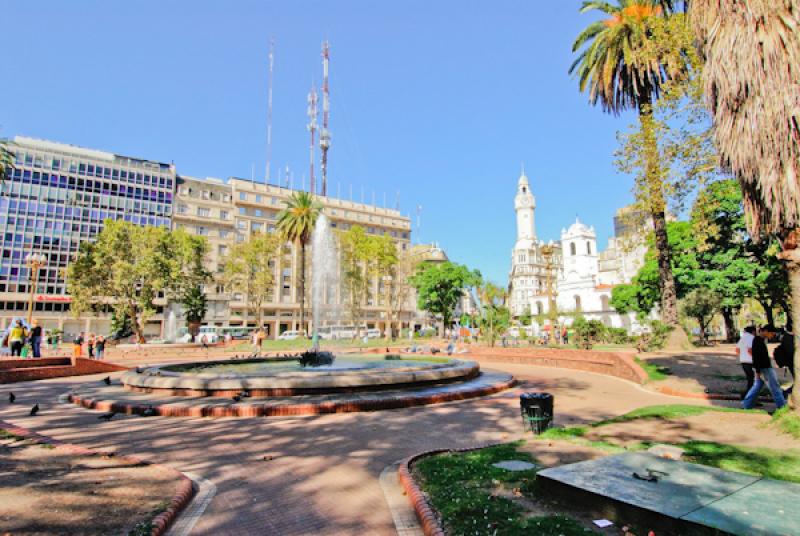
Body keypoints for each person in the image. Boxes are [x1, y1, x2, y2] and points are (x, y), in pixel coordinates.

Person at [742, 325, 786, 410]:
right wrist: (757, 370)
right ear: (766, 331)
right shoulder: (758, 341)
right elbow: (756, 357)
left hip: (763, 367)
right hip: (764, 368)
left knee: (757, 386)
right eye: (772, 334)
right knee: (775, 387)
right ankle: (782, 406)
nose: (772, 336)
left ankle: (746, 404)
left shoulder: (760, 340)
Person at [774, 326, 795, 398]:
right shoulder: (788, 338)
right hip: (793, 363)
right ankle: (785, 393)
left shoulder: (789, 337)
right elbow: (791, 352)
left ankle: (786, 393)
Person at [737, 326, 756, 399]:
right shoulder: (752, 338)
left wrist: (743, 355)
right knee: (754, 381)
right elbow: (750, 350)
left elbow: (737, 350)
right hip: (750, 362)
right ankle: (748, 397)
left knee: (750, 380)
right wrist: (756, 357)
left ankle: (748, 396)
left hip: (743, 361)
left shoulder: (742, 338)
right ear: (753, 331)